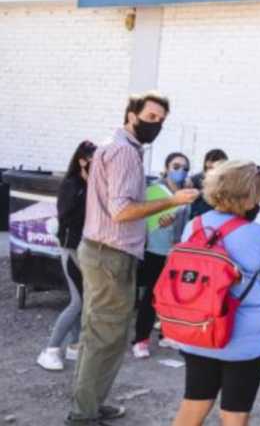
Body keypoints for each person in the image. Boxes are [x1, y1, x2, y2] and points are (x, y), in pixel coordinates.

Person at [68, 92, 198, 426]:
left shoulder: (116, 146)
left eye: (161, 120)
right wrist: (172, 201)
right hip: (110, 254)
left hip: (103, 251)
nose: (156, 124)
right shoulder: (125, 153)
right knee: (104, 336)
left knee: (100, 333)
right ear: (132, 115)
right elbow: (122, 210)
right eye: (151, 117)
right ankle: (84, 413)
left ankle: (90, 403)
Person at [172, 160, 260, 426]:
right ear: (249, 198)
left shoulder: (195, 225)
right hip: (242, 335)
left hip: (199, 328)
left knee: (194, 404)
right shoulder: (257, 233)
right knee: (234, 414)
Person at [36, 141, 97, 371]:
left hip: (85, 249)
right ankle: (50, 350)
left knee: (82, 299)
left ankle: (74, 345)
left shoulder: (89, 185)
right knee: (78, 301)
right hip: (72, 248)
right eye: (94, 160)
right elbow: (67, 218)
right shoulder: (73, 185)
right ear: (82, 161)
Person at [131, 152, 192, 359]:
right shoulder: (154, 190)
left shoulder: (187, 193)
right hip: (155, 251)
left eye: (184, 168)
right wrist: (159, 223)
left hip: (178, 252)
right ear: (166, 167)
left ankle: (167, 334)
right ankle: (140, 340)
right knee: (152, 296)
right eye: (176, 166)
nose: (180, 171)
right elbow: (143, 219)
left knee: (173, 297)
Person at [188, 149, 227, 220]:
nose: (210, 171)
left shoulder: (228, 182)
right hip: (197, 219)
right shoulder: (195, 180)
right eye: (208, 168)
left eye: (213, 168)